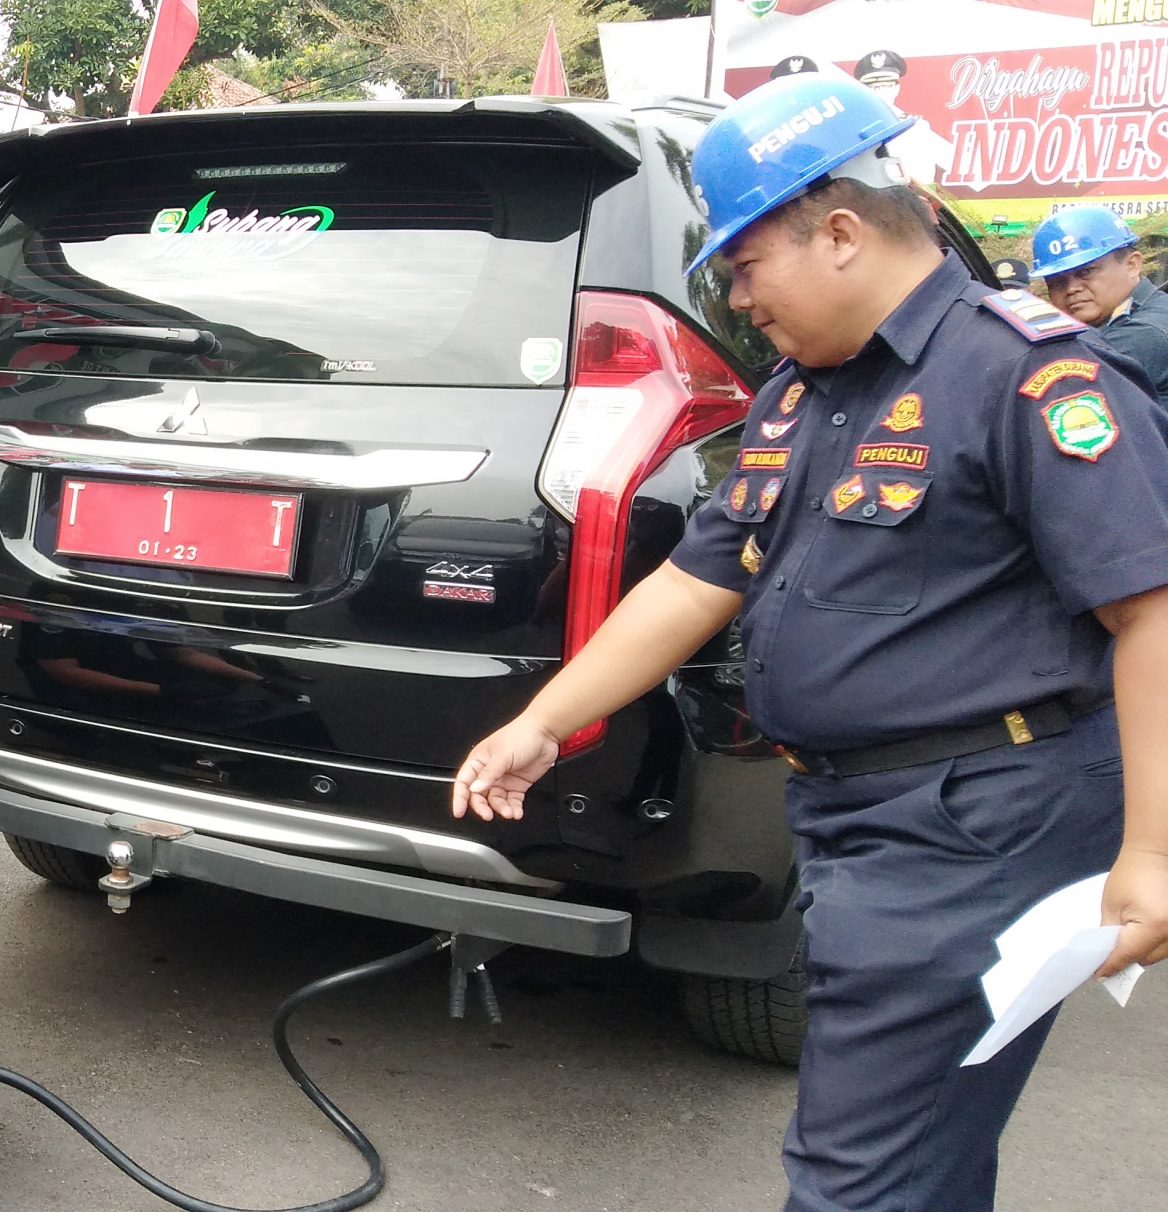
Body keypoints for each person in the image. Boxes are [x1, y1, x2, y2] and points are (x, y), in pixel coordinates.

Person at [450, 73, 1168, 1212]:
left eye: (743, 265)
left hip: (970, 828)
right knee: (924, 1152)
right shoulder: (803, 392)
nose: (737, 298)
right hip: (853, 818)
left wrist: (1154, 854)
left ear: (838, 232)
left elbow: (1151, 609)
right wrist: (543, 720)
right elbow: (698, 577)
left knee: (858, 1180)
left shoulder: (1027, 374)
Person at [1031, 204, 1168, 395]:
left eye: (1086, 272)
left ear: (1132, 265)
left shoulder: (1145, 333)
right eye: (1057, 282)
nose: (1071, 289)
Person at [854, 49, 952, 185]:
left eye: (885, 85)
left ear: (896, 88)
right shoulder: (853, 128)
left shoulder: (914, 128)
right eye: (872, 87)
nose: (878, 92)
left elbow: (923, 178)